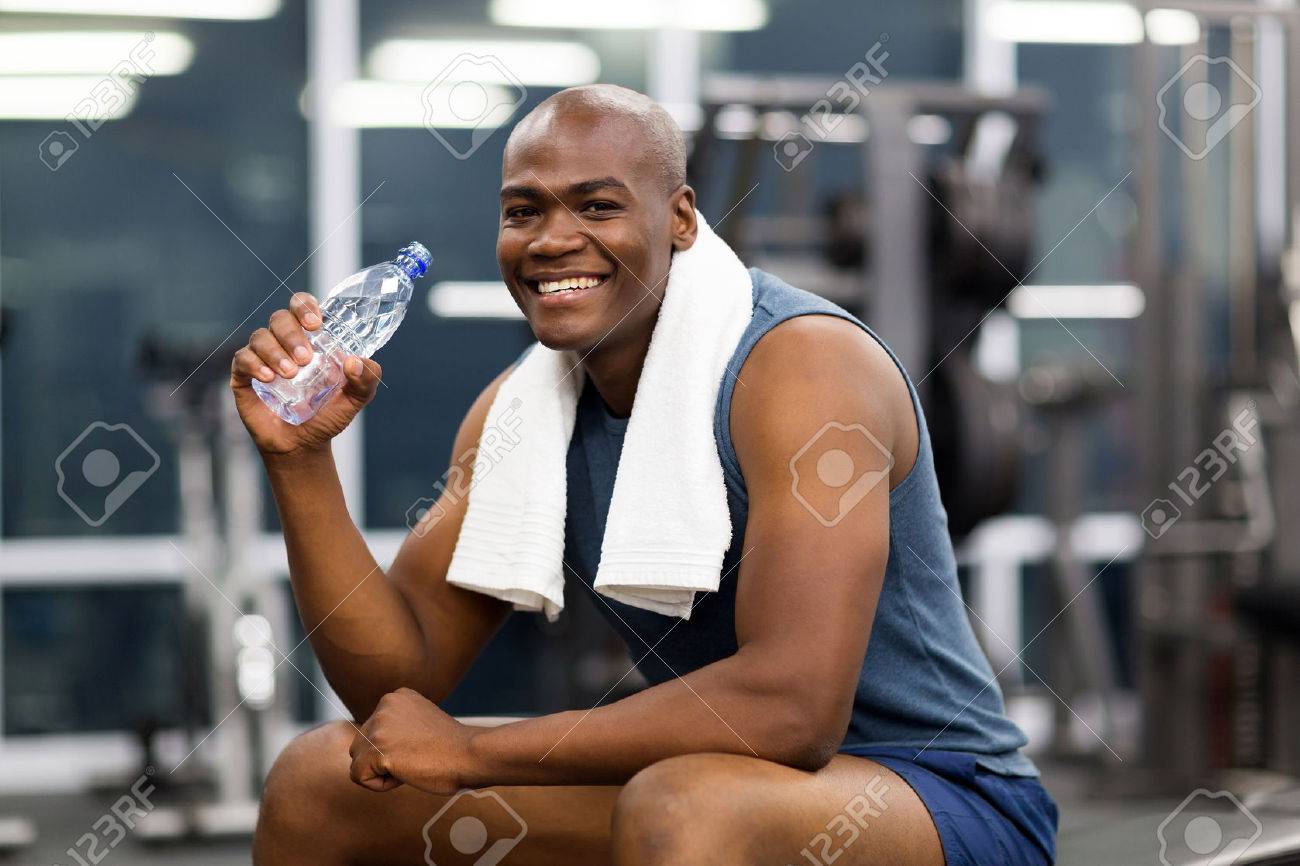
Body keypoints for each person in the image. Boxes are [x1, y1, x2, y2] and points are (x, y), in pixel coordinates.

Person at [235, 84, 1058, 866]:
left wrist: (477, 751)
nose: (552, 239)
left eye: (597, 206)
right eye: (524, 211)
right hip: (727, 784)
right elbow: (393, 687)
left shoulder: (805, 368)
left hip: (943, 800)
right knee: (320, 780)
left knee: (682, 806)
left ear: (681, 220)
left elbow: (792, 709)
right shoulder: (522, 412)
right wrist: (300, 463)